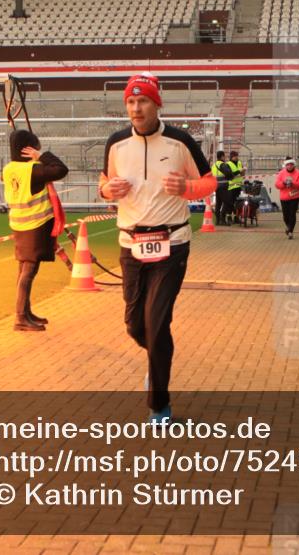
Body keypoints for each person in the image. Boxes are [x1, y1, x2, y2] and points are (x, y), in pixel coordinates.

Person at [98, 72, 216, 423]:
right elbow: (104, 183)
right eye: (131, 102)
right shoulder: (116, 143)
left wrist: (187, 188)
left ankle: (159, 405)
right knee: (136, 326)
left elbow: (209, 182)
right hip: (130, 244)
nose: (136, 108)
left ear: (156, 103)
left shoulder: (180, 141)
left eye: (143, 101)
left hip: (172, 243)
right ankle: (157, 360)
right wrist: (107, 192)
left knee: (157, 320)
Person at [2, 129, 68, 332]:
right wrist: (41, 156)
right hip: (35, 224)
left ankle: (26, 312)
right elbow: (60, 169)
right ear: (28, 149)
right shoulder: (33, 170)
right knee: (29, 270)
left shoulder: (9, 168)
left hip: (19, 224)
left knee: (23, 269)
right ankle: (20, 317)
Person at [274, 157, 299, 239]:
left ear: (294, 165)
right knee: (285, 216)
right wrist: (283, 183)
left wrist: (292, 183)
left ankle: (290, 231)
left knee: (292, 214)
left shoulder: (298, 173)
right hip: (284, 197)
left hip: (294, 197)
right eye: (288, 165)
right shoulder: (281, 173)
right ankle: (288, 226)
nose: (290, 166)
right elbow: (277, 184)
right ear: (285, 165)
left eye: (291, 164)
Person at [225, 150, 245, 223]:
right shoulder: (228, 164)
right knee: (230, 203)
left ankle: (237, 218)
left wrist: (243, 171)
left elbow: (242, 174)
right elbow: (231, 174)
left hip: (239, 186)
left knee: (238, 203)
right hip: (231, 186)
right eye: (235, 156)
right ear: (231, 157)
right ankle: (229, 217)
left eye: (237, 156)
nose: (236, 157)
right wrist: (240, 171)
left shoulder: (239, 163)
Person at [211, 150, 230, 225]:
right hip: (223, 186)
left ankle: (218, 221)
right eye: (224, 156)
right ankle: (223, 219)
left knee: (218, 203)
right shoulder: (222, 164)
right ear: (222, 156)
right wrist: (230, 176)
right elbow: (228, 173)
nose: (224, 157)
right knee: (227, 202)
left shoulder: (214, 165)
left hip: (216, 186)